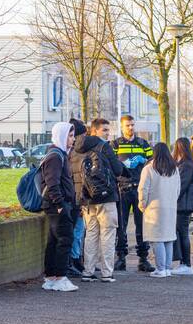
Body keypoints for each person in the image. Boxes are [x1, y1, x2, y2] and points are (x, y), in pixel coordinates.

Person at [72, 118, 129, 283]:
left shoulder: (75, 148)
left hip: (86, 198)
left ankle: (88, 272)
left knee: (90, 234)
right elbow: (118, 169)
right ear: (94, 131)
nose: (108, 133)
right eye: (104, 130)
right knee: (108, 233)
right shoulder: (104, 146)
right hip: (106, 196)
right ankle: (106, 273)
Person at [111, 115, 154, 272]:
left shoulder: (142, 144)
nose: (131, 128)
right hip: (122, 188)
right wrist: (122, 164)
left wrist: (145, 162)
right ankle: (121, 257)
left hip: (139, 188)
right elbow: (110, 163)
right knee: (121, 225)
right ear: (122, 127)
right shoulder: (115, 144)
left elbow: (152, 160)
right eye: (128, 125)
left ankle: (143, 259)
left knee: (142, 225)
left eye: (132, 125)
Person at [41, 122, 79, 292]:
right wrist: (60, 205)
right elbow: (52, 183)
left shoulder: (58, 154)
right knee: (65, 239)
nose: (73, 139)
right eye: (70, 136)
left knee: (54, 241)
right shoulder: (55, 156)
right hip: (57, 205)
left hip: (56, 204)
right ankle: (60, 277)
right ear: (62, 136)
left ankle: (51, 277)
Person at [139, 141, 181, 278]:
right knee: (168, 238)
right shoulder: (174, 169)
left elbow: (143, 188)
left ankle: (160, 268)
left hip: (154, 208)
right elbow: (178, 189)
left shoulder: (149, 168)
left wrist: (142, 204)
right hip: (170, 207)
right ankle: (167, 268)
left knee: (157, 238)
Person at [172, 137, 193, 275]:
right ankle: (184, 263)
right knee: (182, 232)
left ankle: (186, 264)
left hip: (183, 206)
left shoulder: (185, 165)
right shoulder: (189, 164)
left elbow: (180, 186)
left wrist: (171, 198)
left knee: (183, 233)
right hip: (184, 205)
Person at [67, 118, 88, 278]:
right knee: (77, 231)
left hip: (75, 198)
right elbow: (78, 179)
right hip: (75, 199)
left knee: (78, 231)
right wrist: (81, 201)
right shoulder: (77, 154)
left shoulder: (73, 152)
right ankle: (74, 260)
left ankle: (75, 260)